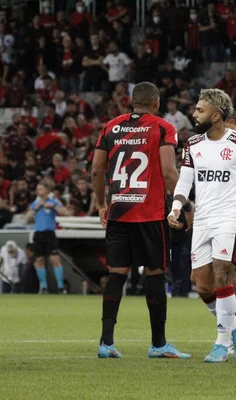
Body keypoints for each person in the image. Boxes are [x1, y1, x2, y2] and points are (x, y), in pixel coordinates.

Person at [91, 82, 189, 359]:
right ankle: (158, 345)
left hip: (119, 211)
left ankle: (106, 343)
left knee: (117, 273)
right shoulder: (163, 127)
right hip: (150, 213)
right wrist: (186, 203)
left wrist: (102, 204)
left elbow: (97, 170)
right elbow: (170, 172)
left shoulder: (111, 126)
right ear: (156, 103)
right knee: (156, 273)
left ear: (132, 102)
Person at [168, 89, 236, 363]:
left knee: (222, 275)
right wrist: (177, 207)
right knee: (202, 285)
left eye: (200, 110)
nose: (194, 114)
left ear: (216, 116)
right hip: (203, 218)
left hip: (231, 217)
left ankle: (222, 343)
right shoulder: (193, 144)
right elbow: (185, 181)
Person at [25, 183, 71, 294]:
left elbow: (66, 213)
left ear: (46, 190)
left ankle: (60, 287)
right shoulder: (35, 204)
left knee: (54, 259)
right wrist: (35, 209)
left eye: (40, 189)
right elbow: (27, 218)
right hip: (38, 234)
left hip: (49, 234)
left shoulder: (53, 201)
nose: (38, 191)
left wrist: (53, 206)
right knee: (39, 260)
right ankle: (44, 287)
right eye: (37, 189)